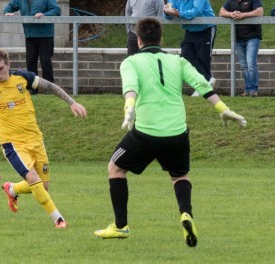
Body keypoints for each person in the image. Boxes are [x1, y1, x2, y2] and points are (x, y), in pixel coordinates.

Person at [94, 18, 247, 247]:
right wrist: (223, 109)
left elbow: (131, 88)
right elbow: (202, 84)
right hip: (177, 132)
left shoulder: (131, 62)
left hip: (146, 133)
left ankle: (120, 226)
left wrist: (129, 110)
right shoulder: (178, 61)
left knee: (115, 168)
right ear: (161, 38)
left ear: (138, 40)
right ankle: (186, 214)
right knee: (179, 176)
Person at [0, 48, 87, 228]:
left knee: (42, 186)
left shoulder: (23, 78)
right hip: (13, 145)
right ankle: (58, 219)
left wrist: (72, 102)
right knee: (32, 178)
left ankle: (12, 189)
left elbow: (50, 86)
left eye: (0, 68)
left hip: (36, 140)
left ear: (8, 65)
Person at [3, 0, 61, 92]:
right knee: (30, 62)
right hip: (29, 34)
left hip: (45, 35)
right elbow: (10, 6)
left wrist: (44, 15)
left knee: (45, 61)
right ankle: (33, 88)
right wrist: (7, 12)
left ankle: (49, 88)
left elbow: (56, 10)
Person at [163, 0, 217, 97]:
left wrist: (178, 13)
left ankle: (202, 87)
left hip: (206, 28)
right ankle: (207, 80)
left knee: (203, 58)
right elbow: (169, 15)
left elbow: (196, 11)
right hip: (190, 29)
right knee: (185, 56)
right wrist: (167, 11)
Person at [219, 0, 263, 97]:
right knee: (243, 65)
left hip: (253, 37)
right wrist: (231, 14)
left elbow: (259, 11)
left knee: (250, 63)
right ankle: (248, 90)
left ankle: (253, 90)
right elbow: (221, 12)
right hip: (238, 38)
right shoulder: (230, 1)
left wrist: (243, 15)